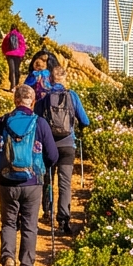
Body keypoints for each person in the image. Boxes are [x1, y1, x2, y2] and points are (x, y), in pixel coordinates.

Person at [0, 85, 58, 266]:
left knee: (8, 223)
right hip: (32, 182)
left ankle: (8, 258)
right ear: (32, 102)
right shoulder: (40, 123)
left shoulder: (3, 121)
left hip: (6, 182)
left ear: (15, 101)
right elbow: (52, 156)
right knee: (29, 226)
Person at [33, 65, 90, 234]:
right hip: (67, 146)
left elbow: (35, 118)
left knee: (48, 179)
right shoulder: (72, 96)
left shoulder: (44, 99)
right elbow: (85, 121)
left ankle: (48, 210)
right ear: (65, 79)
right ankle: (63, 220)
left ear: (50, 80)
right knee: (65, 184)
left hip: (48, 146)